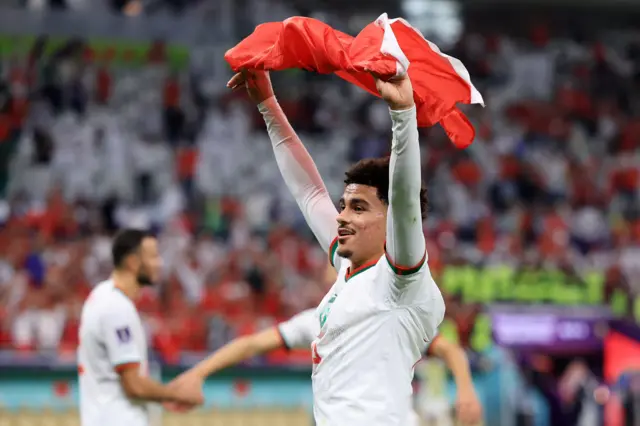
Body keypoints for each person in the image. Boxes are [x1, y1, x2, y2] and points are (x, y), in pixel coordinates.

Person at [226, 69, 445, 425]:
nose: (342, 216)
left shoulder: (400, 282)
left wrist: (403, 116)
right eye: (343, 206)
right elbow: (308, 191)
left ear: (392, 220)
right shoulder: (349, 272)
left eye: (358, 208)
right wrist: (267, 104)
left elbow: (404, 199)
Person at [168, 308, 482, 425]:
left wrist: (466, 392)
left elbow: (450, 349)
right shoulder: (317, 320)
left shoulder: (388, 318)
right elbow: (251, 344)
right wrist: (198, 372)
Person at [77, 229, 203, 426]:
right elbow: (134, 386)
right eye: (152, 256)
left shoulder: (102, 295)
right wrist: (177, 395)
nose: (159, 263)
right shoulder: (116, 308)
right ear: (132, 262)